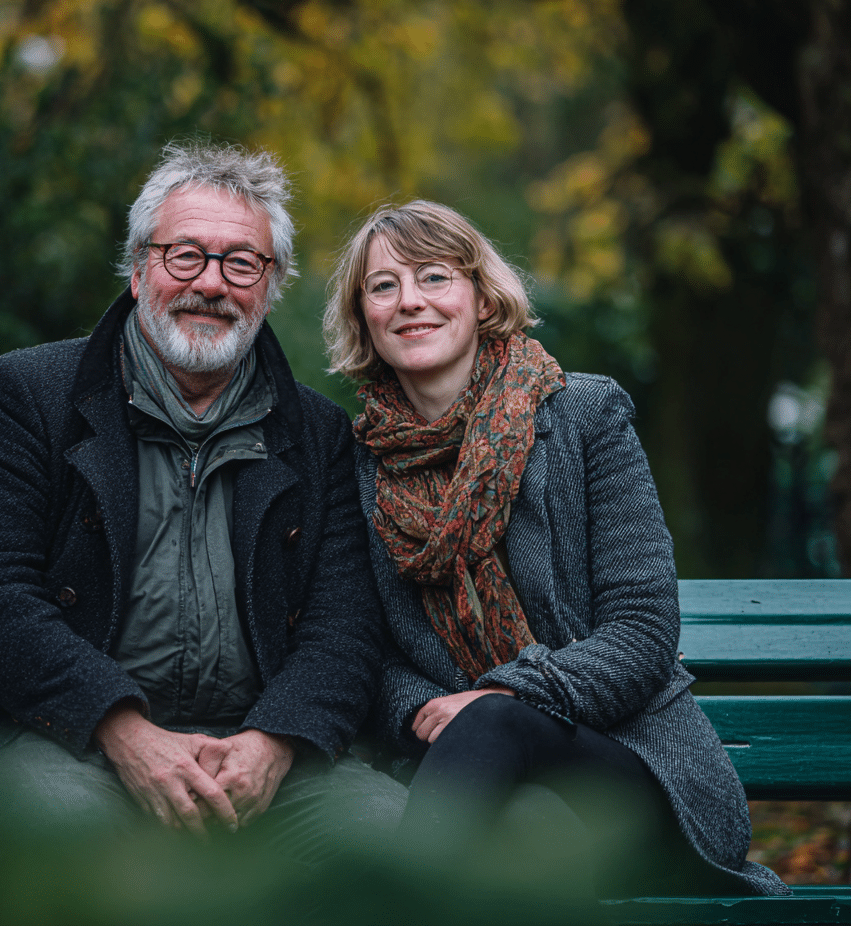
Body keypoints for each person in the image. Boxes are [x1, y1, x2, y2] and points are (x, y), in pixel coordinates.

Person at [0, 140, 405, 865]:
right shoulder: (33, 394)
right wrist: (122, 728)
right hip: (66, 742)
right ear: (138, 269)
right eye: (185, 255)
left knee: (391, 837)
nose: (210, 283)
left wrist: (274, 743)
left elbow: (346, 623)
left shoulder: (316, 431)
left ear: (271, 285)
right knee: (61, 834)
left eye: (241, 262)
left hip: (259, 755)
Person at [323, 199, 788, 896]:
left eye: (434, 277)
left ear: (482, 298)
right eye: (383, 286)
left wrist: (500, 698)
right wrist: (420, 710)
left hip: (629, 770)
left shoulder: (585, 417)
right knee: (509, 807)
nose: (409, 301)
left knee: (500, 728)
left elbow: (641, 633)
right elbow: (370, 651)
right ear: (364, 319)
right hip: (462, 773)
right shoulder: (357, 464)